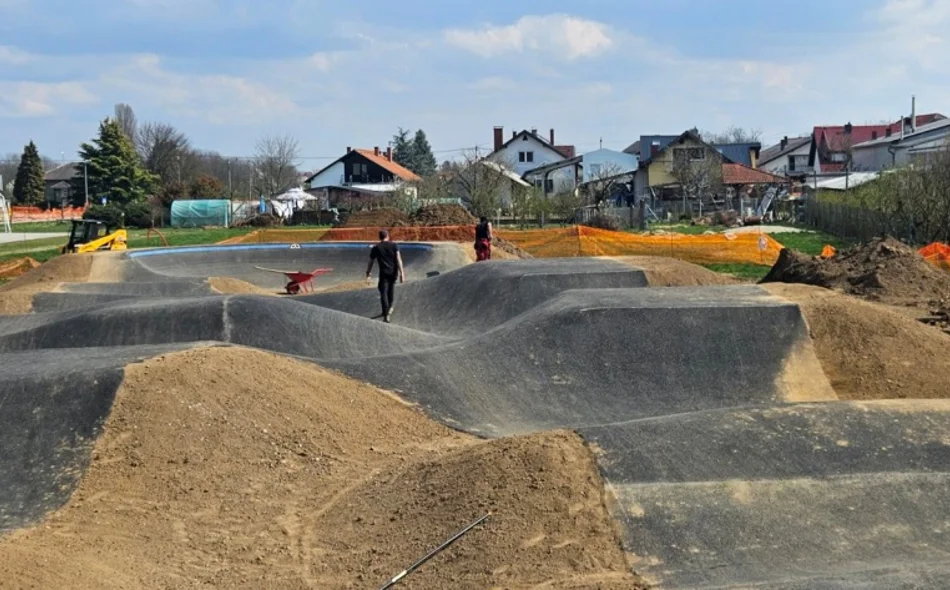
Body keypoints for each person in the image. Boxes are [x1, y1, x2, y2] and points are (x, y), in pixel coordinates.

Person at [366, 229, 404, 323]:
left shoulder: (376, 248)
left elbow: (371, 261)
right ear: (387, 236)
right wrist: (402, 273)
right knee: (390, 289)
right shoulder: (394, 245)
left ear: (380, 237)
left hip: (384, 273)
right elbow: (398, 259)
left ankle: (386, 313)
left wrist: (368, 272)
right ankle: (389, 308)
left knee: (383, 292)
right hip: (393, 272)